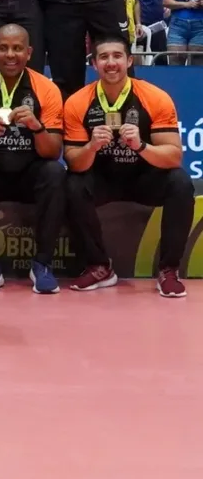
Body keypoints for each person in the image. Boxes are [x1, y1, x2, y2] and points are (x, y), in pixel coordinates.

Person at [62, 36, 192, 296]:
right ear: (95, 64)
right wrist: (92, 147)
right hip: (103, 178)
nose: (111, 63)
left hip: (144, 178)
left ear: (129, 61)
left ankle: (168, 269)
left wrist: (141, 146)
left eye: (117, 56)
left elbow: (173, 156)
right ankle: (99, 266)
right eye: (104, 57)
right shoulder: (78, 102)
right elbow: (74, 162)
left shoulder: (155, 98)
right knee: (71, 183)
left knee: (180, 182)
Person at [0, 24, 66, 295]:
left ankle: (42, 264)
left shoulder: (46, 89)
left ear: (29, 53)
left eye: (17, 48)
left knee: (55, 172)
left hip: (29, 173)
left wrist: (36, 127)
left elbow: (53, 151)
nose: (10, 54)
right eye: (4, 48)